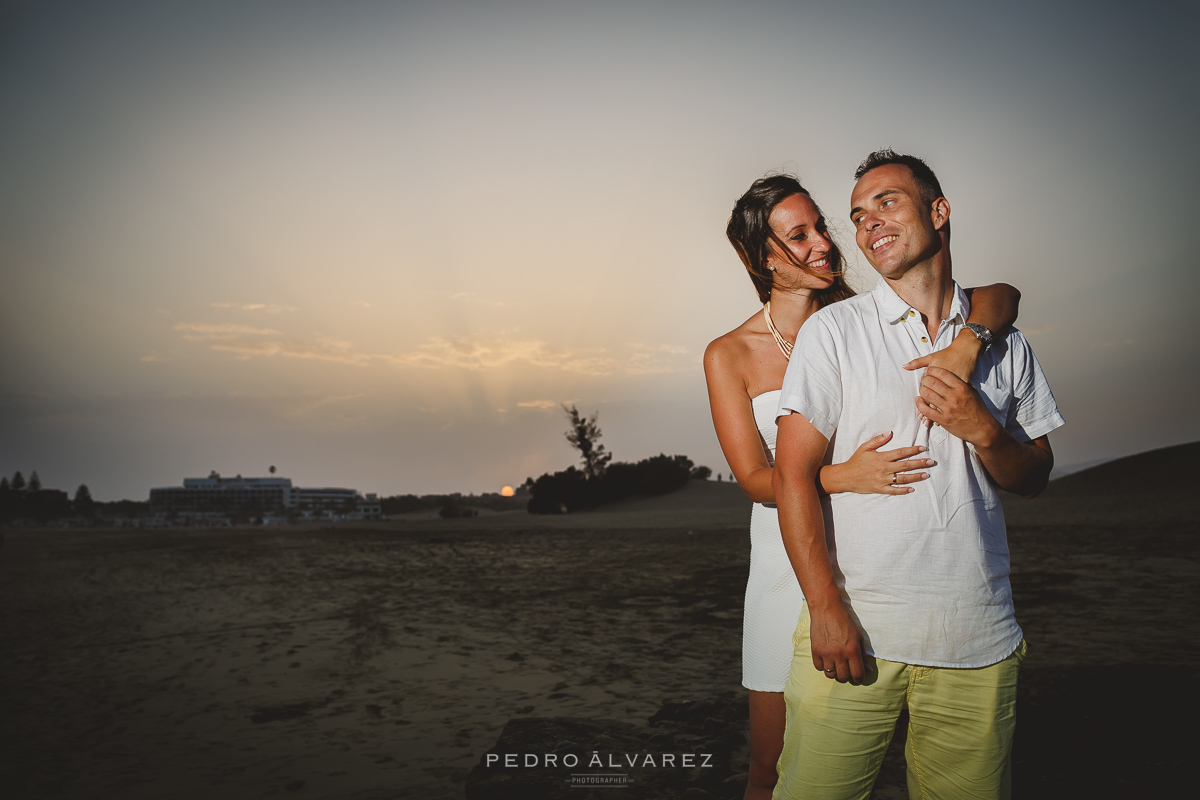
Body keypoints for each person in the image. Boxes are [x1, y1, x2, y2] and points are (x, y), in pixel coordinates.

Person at [703, 174, 1023, 800]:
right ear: (764, 258)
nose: (824, 243)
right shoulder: (730, 353)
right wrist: (843, 476)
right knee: (775, 760)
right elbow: (753, 479)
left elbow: (1000, 296)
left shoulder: (867, 316)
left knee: (866, 757)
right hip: (784, 560)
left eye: (822, 226)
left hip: (871, 562)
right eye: (800, 236)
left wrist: (966, 345)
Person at [770, 151, 1064, 800]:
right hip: (854, 632)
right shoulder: (835, 333)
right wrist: (824, 609)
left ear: (939, 212)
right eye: (857, 215)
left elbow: (1035, 476)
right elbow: (793, 477)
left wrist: (982, 427)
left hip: (977, 640)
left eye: (887, 202)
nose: (867, 222)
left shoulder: (1003, 344)